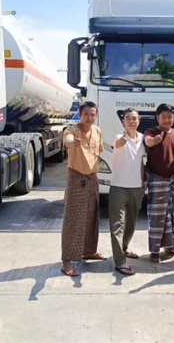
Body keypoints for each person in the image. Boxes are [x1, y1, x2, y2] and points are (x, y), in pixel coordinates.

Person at [61, 101, 106, 276]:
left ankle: (88, 251)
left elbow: (98, 151)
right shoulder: (72, 130)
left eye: (93, 114)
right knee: (73, 219)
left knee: (91, 216)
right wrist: (73, 143)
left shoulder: (97, 131)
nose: (89, 117)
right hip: (76, 178)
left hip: (92, 178)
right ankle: (67, 259)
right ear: (80, 115)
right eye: (86, 114)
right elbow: (67, 141)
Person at [144, 103, 174, 263]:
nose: (167, 120)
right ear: (157, 118)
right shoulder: (152, 132)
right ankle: (154, 251)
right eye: (164, 117)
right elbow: (147, 141)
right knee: (157, 216)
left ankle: (171, 246)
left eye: (170, 117)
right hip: (157, 178)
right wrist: (153, 141)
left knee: (172, 214)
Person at [109, 108, 146, 276]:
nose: (131, 121)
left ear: (139, 121)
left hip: (137, 187)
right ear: (123, 121)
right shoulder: (119, 136)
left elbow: (142, 161)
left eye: (134, 118)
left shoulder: (143, 139)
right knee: (117, 225)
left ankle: (124, 248)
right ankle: (120, 261)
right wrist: (122, 141)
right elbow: (119, 143)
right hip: (119, 187)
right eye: (128, 118)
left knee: (131, 223)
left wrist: (143, 184)